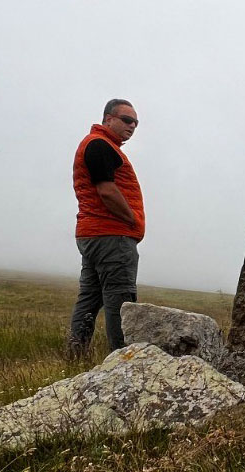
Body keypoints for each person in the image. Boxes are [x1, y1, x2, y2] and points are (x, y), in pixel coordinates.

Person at [66, 98, 145, 359]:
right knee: (120, 301)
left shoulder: (100, 145)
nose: (132, 126)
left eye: (136, 122)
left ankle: (76, 355)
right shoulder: (100, 144)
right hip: (111, 236)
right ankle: (122, 362)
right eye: (126, 120)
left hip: (93, 234)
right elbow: (106, 190)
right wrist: (131, 220)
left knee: (89, 297)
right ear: (108, 119)